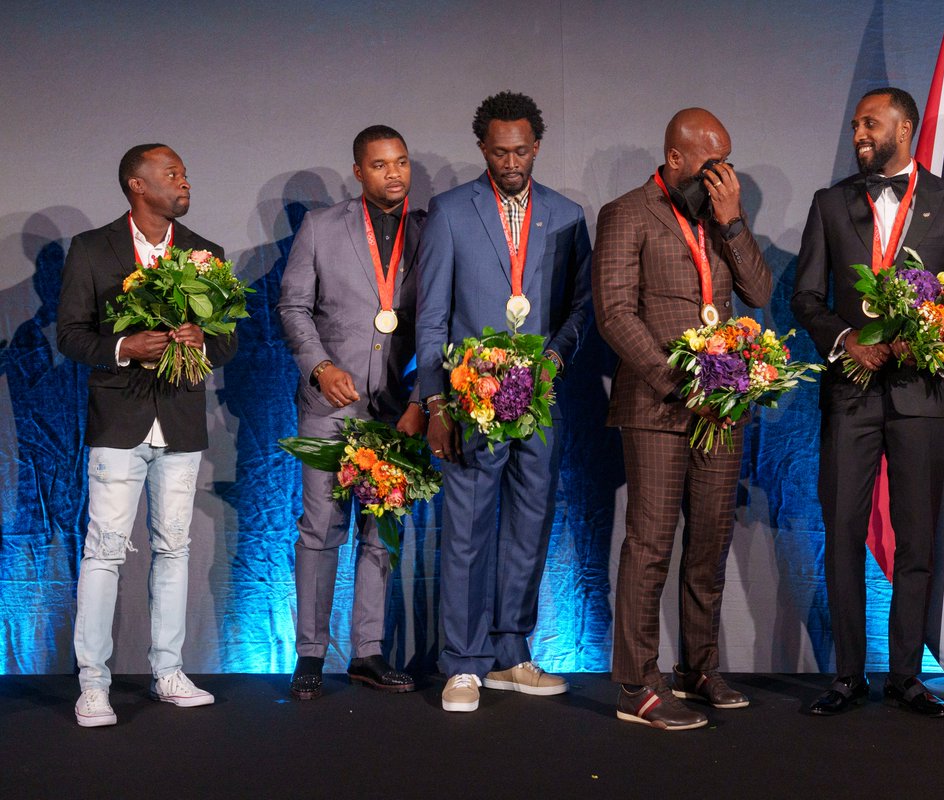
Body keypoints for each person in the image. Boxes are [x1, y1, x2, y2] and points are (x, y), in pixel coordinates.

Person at [791, 88, 944, 718]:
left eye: (869, 124)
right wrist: (846, 339)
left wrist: (934, 332)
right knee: (843, 533)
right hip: (850, 393)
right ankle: (848, 676)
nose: (858, 134)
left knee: (916, 542)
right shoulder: (830, 205)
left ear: (906, 127)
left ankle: (907, 676)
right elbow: (805, 299)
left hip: (920, 396)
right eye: (854, 125)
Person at [593, 108, 771, 731]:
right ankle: (637, 685)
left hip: (721, 410)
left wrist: (734, 223)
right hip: (657, 407)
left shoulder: (720, 219)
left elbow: (758, 292)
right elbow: (615, 315)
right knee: (650, 545)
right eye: (711, 164)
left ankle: (700, 668)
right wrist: (678, 384)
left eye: (728, 161)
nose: (723, 175)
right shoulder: (626, 214)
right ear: (674, 159)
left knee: (709, 543)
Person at [416, 91, 592, 713]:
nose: (511, 161)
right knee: (465, 532)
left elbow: (580, 308)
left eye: (520, 150)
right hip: (472, 401)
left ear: (537, 147)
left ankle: (510, 653)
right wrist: (435, 404)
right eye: (499, 151)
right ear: (482, 149)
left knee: (528, 529)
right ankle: (462, 664)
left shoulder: (568, 215)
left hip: (540, 404)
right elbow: (432, 317)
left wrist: (556, 358)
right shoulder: (449, 211)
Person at [58, 144, 237, 727]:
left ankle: (168, 671)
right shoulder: (92, 249)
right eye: (171, 174)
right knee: (105, 551)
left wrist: (201, 341)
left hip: (181, 423)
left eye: (184, 172)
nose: (183, 181)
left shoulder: (204, 254)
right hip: (118, 422)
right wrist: (123, 347)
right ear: (138, 185)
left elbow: (229, 340)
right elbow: (69, 335)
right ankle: (93, 684)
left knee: (174, 548)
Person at [278, 125, 428, 700]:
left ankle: (368, 652)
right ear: (359, 172)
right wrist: (319, 367)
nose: (394, 173)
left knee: (381, 532)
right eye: (381, 164)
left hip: (396, 410)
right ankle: (310, 654)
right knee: (320, 530)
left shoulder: (430, 232)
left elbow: (440, 319)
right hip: (330, 407)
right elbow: (292, 306)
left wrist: (420, 398)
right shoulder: (321, 227)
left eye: (402, 162)